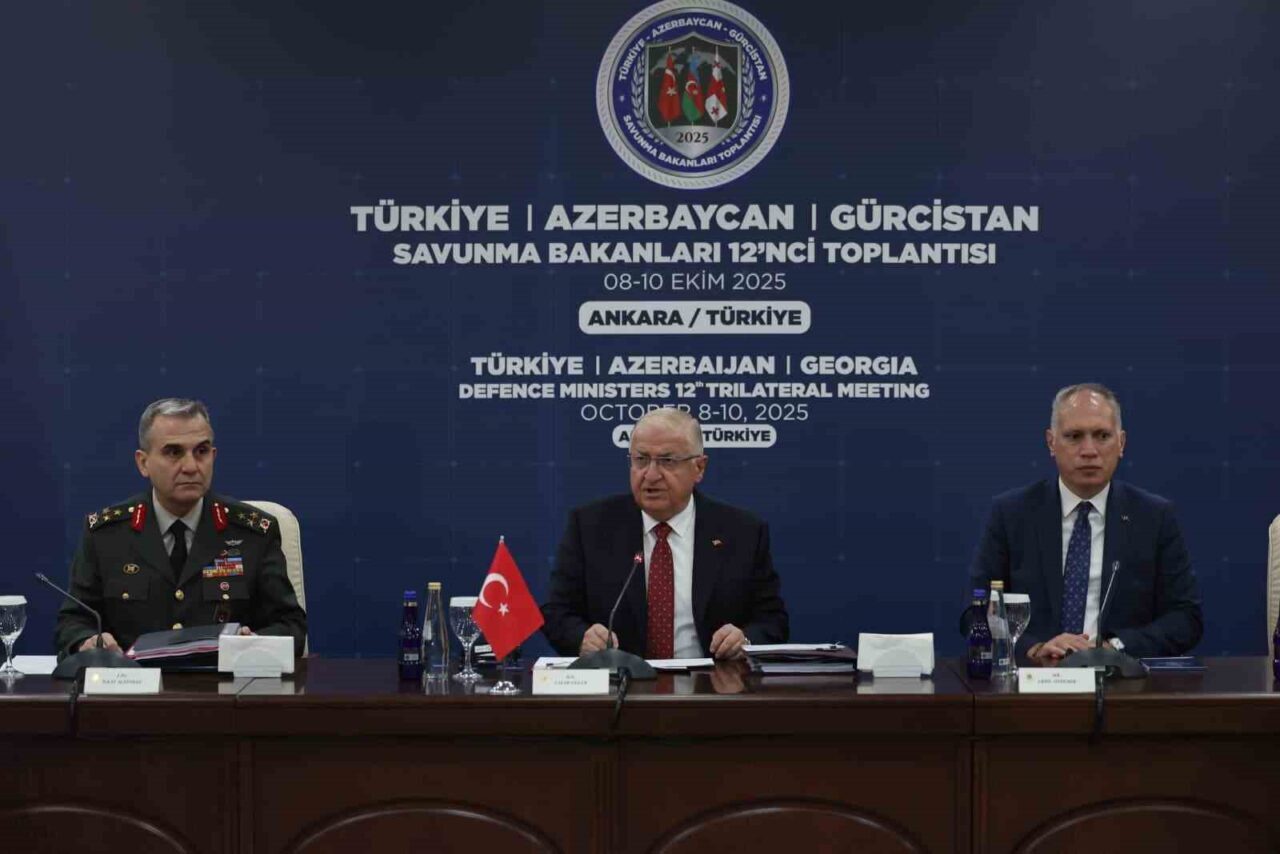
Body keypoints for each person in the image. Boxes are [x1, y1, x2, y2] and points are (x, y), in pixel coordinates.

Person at [54, 398, 307, 659]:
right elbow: (73, 622)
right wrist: (87, 642)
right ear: (143, 463)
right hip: (134, 681)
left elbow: (291, 626)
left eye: (201, 451)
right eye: (173, 452)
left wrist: (254, 644)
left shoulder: (252, 533)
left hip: (224, 680)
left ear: (213, 456)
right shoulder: (106, 535)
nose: (191, 467)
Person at [968, 383, 1202, 662]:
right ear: (1051, 442)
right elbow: (976, 612)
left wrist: (1115, 646)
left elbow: (1185, 618)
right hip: (1036, 677)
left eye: (1102, 436)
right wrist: (1035, 648)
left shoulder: (1154, 516)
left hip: (1119, 678)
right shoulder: (1012, 513)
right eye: (1074, 436)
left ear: (1121, 443)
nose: (1089, 450)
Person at [541, 408, 788, 660]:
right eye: (641, 459)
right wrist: (582, 638)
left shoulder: (741, 531)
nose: (651, 475)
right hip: (620, 678)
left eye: (667, 461)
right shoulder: (591, 526)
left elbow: (772, 621)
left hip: (713, 679)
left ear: (699, 467)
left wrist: (744, 640)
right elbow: (557, 612)